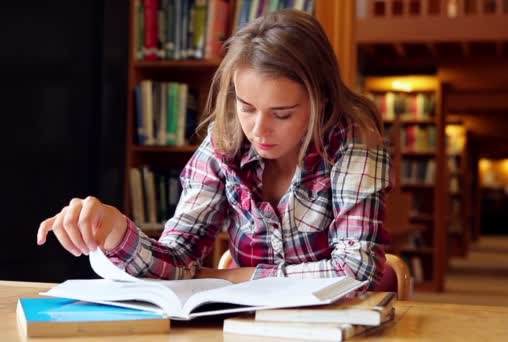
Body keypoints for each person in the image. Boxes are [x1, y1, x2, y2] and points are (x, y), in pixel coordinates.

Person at [36, 9, 391, 289]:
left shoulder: (355, 139)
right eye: (247, 107)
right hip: (246, 324)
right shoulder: (226, 140)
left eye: (282, 114)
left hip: (337, 326)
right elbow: (178, 259)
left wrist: (234, 278)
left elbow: (356, 271)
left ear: (321, 100)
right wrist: (116, 231)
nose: (258, 129)